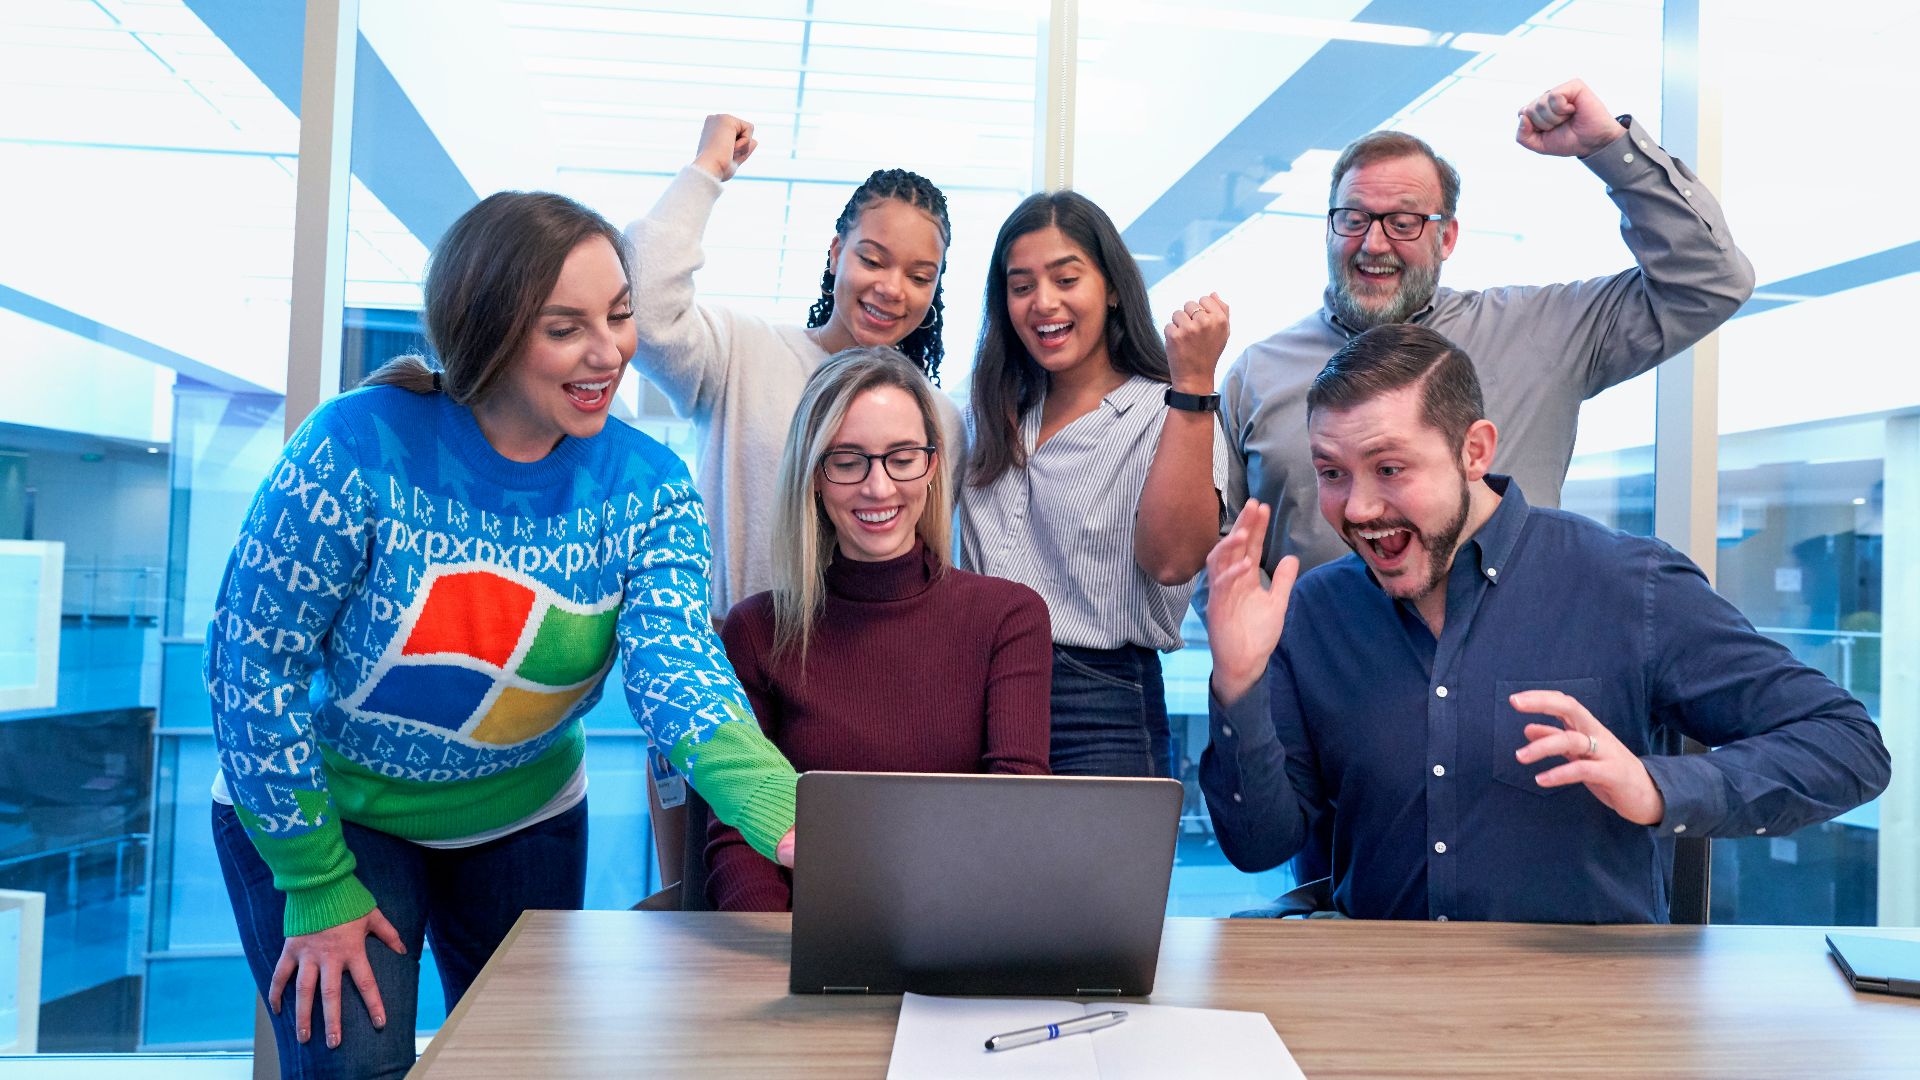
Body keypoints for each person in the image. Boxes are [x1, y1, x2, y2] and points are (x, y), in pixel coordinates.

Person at [205, 191, 800, 1077]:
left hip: (524, 815)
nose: (608, 352)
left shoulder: (649, 484)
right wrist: (314, 878)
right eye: (566, 328)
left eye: (620, 315)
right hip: (335, 814)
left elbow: (678, 667)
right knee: (358, 1066)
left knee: (522, 1065)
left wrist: (789, 816)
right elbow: (249, 668)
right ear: (487, 330)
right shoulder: (356, 446)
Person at [1199, 324, 1890, 923]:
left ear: (1475, 451)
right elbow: (1260, 845)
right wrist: (1236, 683)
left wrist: (1656, 788)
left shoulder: (1627, 584)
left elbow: (1847, 748)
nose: (1358, 508)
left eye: (1389, 467)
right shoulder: (1315, 612)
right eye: (1332, 473)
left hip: (1586, 1017)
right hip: (1382, 1004)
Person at [1217, 77, 1756, 579]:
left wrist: (1610, 149)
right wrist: (1271, 652)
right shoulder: (1257, 375)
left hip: (1513, 671)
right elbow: (1220, 546)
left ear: (1447, 237)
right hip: (1322, 673)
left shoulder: (1542, 333)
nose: (1373, 244)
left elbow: (1709, 282)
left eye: (1403, 223)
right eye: (1353, 219)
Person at [705, 347, 1053, 911]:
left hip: (964, 932)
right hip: (808, 940)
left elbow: (1013, 810)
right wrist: (773, 952)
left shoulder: (1008, 618)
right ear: (814, 477)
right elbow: (739, 835)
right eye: (847, 460)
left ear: (933, 466)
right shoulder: (756, 630)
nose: (878, 487)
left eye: (902, 457)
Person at [625, 113, 962, 616]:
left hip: (862, 663)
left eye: (919, 275)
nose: (892, 289)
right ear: (835, 254)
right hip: (730, 655)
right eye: (872, 260)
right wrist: (707, 169)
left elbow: (928, 561)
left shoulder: (938, 418)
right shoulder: (741, 352)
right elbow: (644, 309)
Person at [960, 190, 1231, 777]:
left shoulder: (1171, 411)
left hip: (1099, 701)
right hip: (975, 690)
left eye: (1066, 278)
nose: (1043, 302)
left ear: (1111, 288)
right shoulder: (986, 411)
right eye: (1021, 284)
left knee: (1100, 872)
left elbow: (1174, 560)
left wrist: (1192, 382)